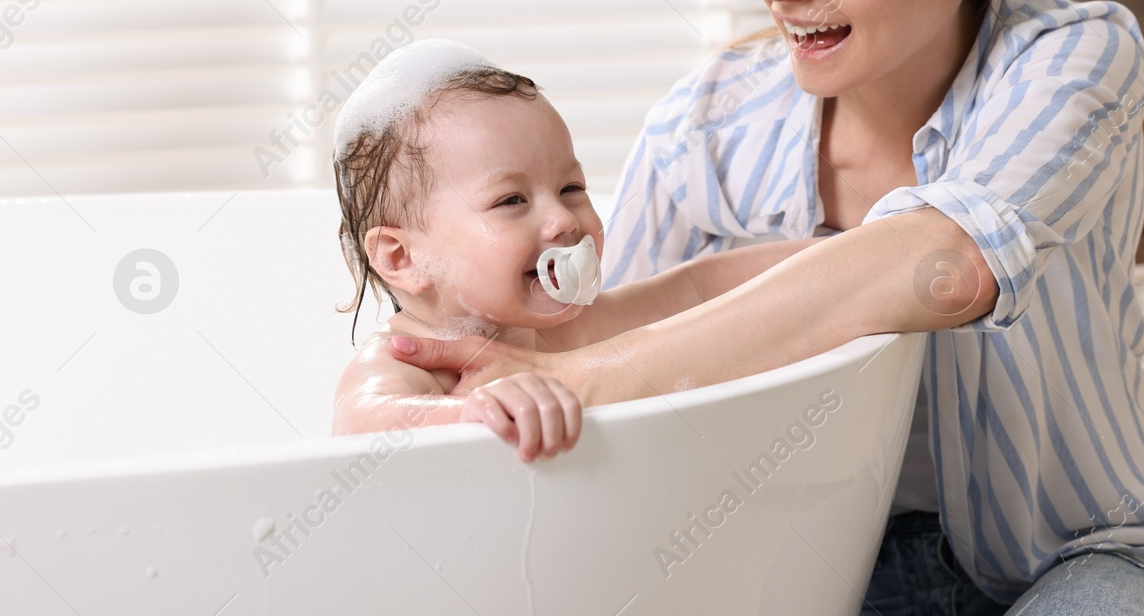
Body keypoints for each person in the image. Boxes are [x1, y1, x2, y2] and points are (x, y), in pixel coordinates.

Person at [388, 0, 1144, 614]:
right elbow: (613, 348)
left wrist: (585, 377)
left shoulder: (1074, 59)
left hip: (1079, 560)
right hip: (810, 564)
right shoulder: (707, 125)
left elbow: (943, 269)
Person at [328, 39, 816, 459]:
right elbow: (364, 420)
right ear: (401, 258)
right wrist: (469, 411)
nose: (563, 220)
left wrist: (840, 254)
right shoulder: (408, 359)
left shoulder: (578, 329)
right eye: (512, 200)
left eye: (570, 188)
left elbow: (698, 286)